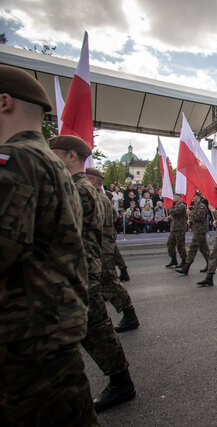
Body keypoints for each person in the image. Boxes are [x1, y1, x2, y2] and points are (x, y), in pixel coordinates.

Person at [0, 65, 97, 425]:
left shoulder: (19, 160)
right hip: (46, 319)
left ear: (4, 102)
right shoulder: (48, 164)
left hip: (28, 328)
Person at [50, 137, 136, 412]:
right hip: (81, 267)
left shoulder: (80, 190)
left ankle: (119, 383)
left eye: (55, 155)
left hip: (81, 269)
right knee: (91, 328)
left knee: (94, 328)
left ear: (71, 156)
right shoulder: (82, 189)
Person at [86, 168, 141, 334]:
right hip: (101, 245)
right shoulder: (100, 198)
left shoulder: (98, 199)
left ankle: (129, 315)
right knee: (102, 282)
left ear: (93, 181)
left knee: (109, 281)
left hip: (102, 245)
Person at [176, 193, 211, 275]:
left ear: (198, 197)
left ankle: (186, 267)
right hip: (197, 229)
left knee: (193, 248)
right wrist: (190, 221)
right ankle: (210, 264)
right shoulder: (195, 206)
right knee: (204, 249)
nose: (192, 197)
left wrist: (190, 214)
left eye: (194, 196)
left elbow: (200, 217)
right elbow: (195, 218)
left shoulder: (201, 206)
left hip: (200, 230)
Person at [165, 193, 188, 268]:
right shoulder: (175, 206)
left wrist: (168, 207)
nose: (173, 198)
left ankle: (184, 260)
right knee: (170, 244)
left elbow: (175, 212)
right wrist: (169, 218)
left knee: (180, 245)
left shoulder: (182, 206)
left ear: (179, 198)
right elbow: (173, 215)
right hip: (174, 228)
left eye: (175, 197)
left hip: (180, 228)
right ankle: (173, 259)